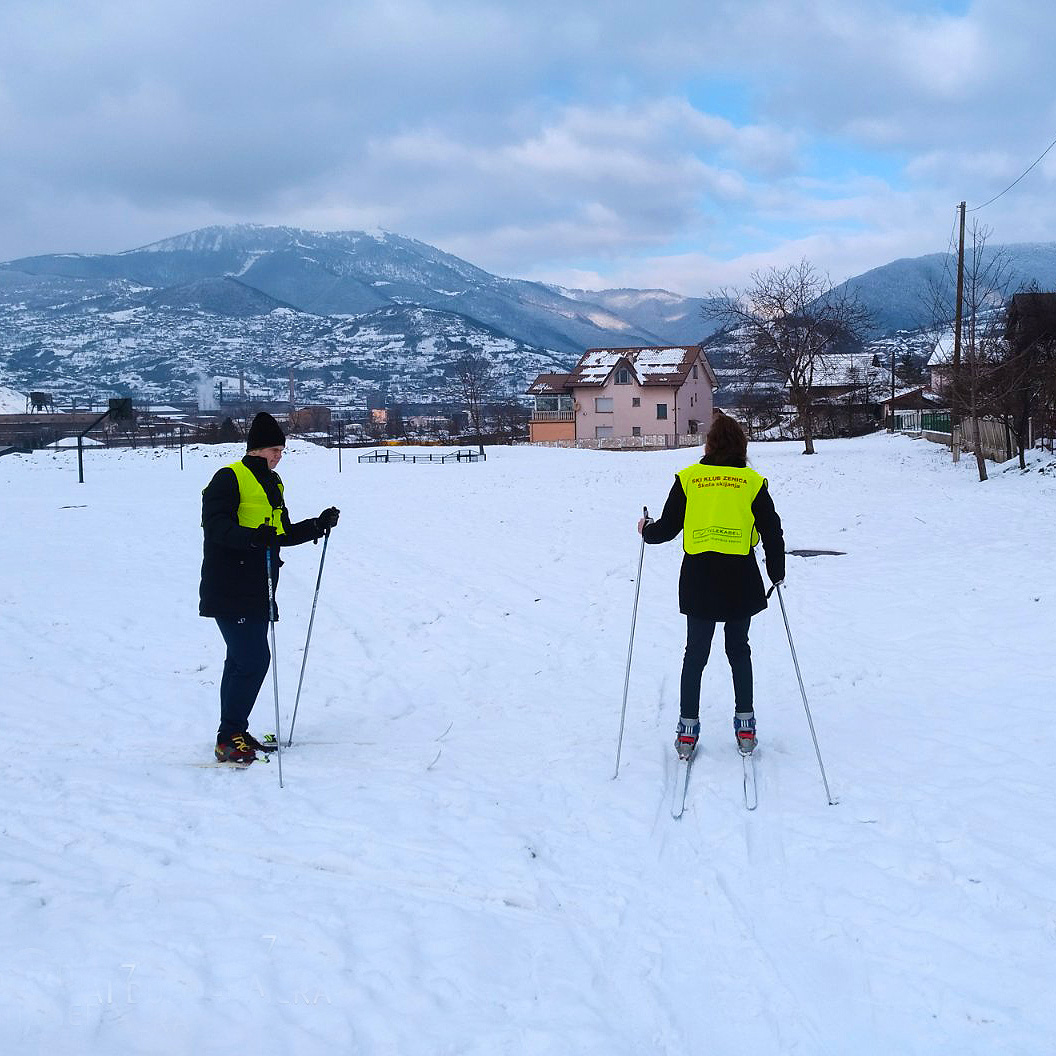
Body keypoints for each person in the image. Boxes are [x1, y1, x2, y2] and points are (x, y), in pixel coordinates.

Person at [638, 413, 784, 759]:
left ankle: (687, 731)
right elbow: (772, 531)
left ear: (709, 444)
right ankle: (745, 727)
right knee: (739, 650)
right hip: (740, 577)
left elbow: (668, 528)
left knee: (695, 654)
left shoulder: (689, 479)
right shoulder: (752, 482)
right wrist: (776, 572)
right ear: (741, 446)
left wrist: (647, 530)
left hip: (699, 577)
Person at [199, 411, 341, 764]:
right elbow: (215, 527)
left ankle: (232, 733)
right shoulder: (228, 478)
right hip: (230, 584)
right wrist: (252, 538)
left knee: (240, 660)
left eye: (281, 450)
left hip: (260, 585)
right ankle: (229, 736)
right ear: (256, 449)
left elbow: (281, 533)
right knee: (252, 659)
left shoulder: (273, 483)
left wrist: (316, 525)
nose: (279, 456)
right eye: (275, 450)